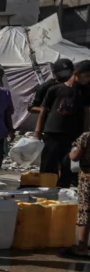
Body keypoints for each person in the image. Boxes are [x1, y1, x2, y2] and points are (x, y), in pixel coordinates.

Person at [35, 60, 90, 189]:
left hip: (74, 135)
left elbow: (86, 113)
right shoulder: (55, 89)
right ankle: (46, 191)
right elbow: (43, 111)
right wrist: (37, 131)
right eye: (87, 76)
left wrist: (85, 133)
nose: (88, 79)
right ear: (76, 73)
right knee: (48, 165)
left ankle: (64, 191)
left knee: (68, 166)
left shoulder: (86, 92)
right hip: (53, 132)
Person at [65, 131, 90, 259]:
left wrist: (70, 153)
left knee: (85, 210)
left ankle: (82, 248)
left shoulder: (87, 136)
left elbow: (75, 157)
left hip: (87, 178)